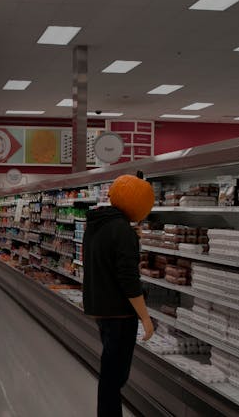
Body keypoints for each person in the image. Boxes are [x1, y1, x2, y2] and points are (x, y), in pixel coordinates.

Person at [82, 174, 156, 417]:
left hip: (102, 308)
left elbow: (104, 259)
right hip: (120, 312)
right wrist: (145, 317)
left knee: (112, 371)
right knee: (114, 376)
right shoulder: (122, 231)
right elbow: (128, 280)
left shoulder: (97, 224)